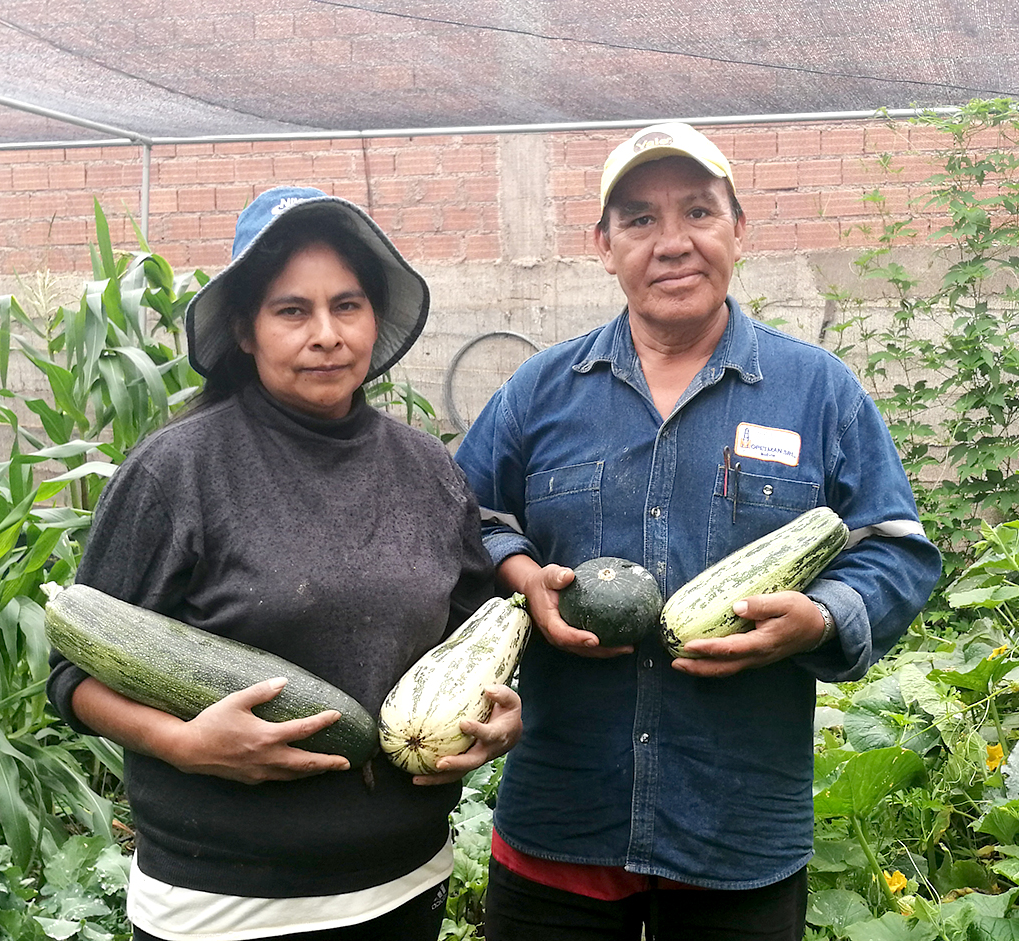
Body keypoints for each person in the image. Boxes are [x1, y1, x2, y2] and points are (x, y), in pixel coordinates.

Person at [453, 123, 943, 939]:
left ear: (738, 230)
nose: (671, 243)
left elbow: (893, 546)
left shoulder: (817, 391)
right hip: (562, 817)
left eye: (698, 213)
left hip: (734, 827)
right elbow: (467, 515)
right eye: (640, 219)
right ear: (603, 245)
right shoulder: (539, 390)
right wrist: (519, 574)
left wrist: (818, 618)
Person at [46, 186, 518, 941]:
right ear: (245, 329)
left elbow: (470, 634)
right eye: (292, 310)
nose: (326, 334)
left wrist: (495, 717)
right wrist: (182, 744)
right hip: (225, 905)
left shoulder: (425, 467)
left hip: (405, 882)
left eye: (348, 305)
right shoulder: (178, 470)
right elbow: (70, 674)